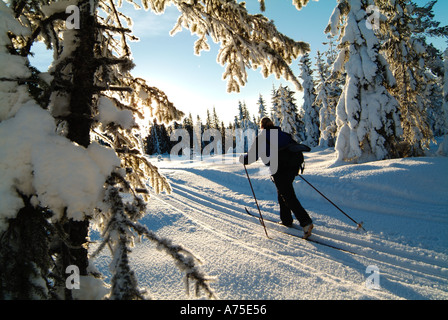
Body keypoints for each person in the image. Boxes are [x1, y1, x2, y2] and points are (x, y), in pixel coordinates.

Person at [239, 117, 314, 239]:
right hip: (292, 168)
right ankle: (286, 220)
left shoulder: (262, 138)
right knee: (283, 193)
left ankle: (305, 222)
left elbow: (252, 157)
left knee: (288, 196)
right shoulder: (284, 134)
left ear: (262, 126)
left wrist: (243, 159)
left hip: (279, 169)